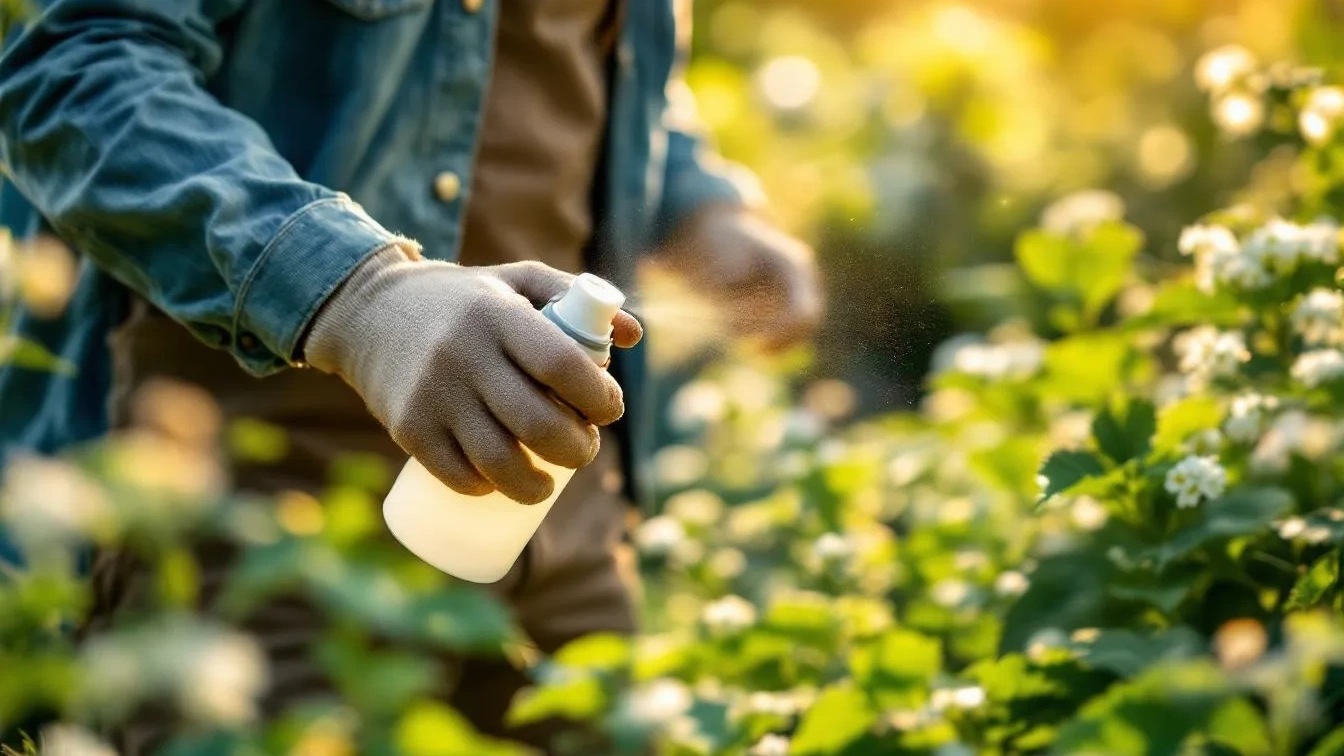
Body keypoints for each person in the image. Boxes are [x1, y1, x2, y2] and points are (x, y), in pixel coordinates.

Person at [0, 0, 821, 751]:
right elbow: (73, 68)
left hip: (555, 527)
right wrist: (358, 294)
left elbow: (596, 69)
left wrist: (700, 209)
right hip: (258, 531)